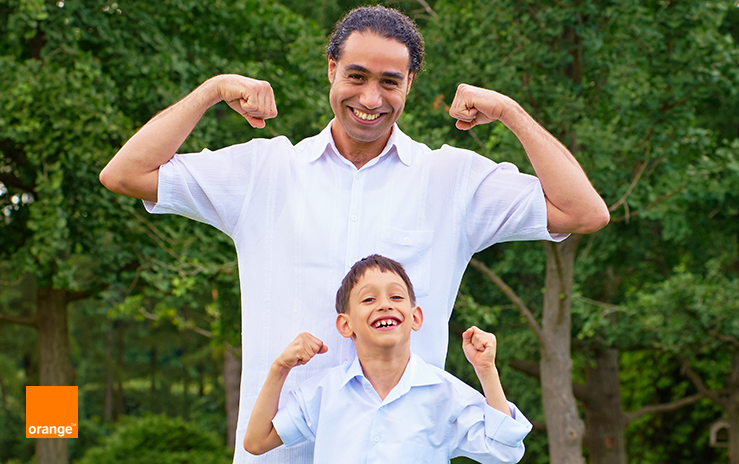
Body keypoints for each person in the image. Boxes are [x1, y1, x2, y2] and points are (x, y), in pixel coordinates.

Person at [99, 5, 608, 462]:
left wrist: (509, 113)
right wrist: (211, 90)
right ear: (331, 71)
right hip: (275, 452)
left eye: (389, 81)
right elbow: (124, 175)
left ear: (410, 83)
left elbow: (583, 212)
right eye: (356, 76)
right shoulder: (264, 170)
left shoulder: (452, 179)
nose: (370, 97)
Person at [243, 255, 531, 463]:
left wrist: (486, 370)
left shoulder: (445, 394)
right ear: (346, 325)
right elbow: (257, 441)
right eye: (368, 300)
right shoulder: (324, 392)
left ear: (415, 317)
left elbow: (504, 451)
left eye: (396, 297)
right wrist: (279, 369)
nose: (384, 305)